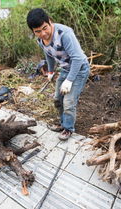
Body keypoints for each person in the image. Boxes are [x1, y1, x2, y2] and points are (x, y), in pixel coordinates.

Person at [27, 8, 90, 141]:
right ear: (33, 31)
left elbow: (78, 58)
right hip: (66, 69)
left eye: (45, 28)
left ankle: (68, 128)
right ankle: (63, 123)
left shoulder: (64, 34)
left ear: (50, 21)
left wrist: (69, 80)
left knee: (68, 101)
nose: (43, 33)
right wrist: (50, 71)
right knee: (57, 98)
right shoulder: (40, 40)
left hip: (79, 69)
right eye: (37, 31)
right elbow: (48, 54)